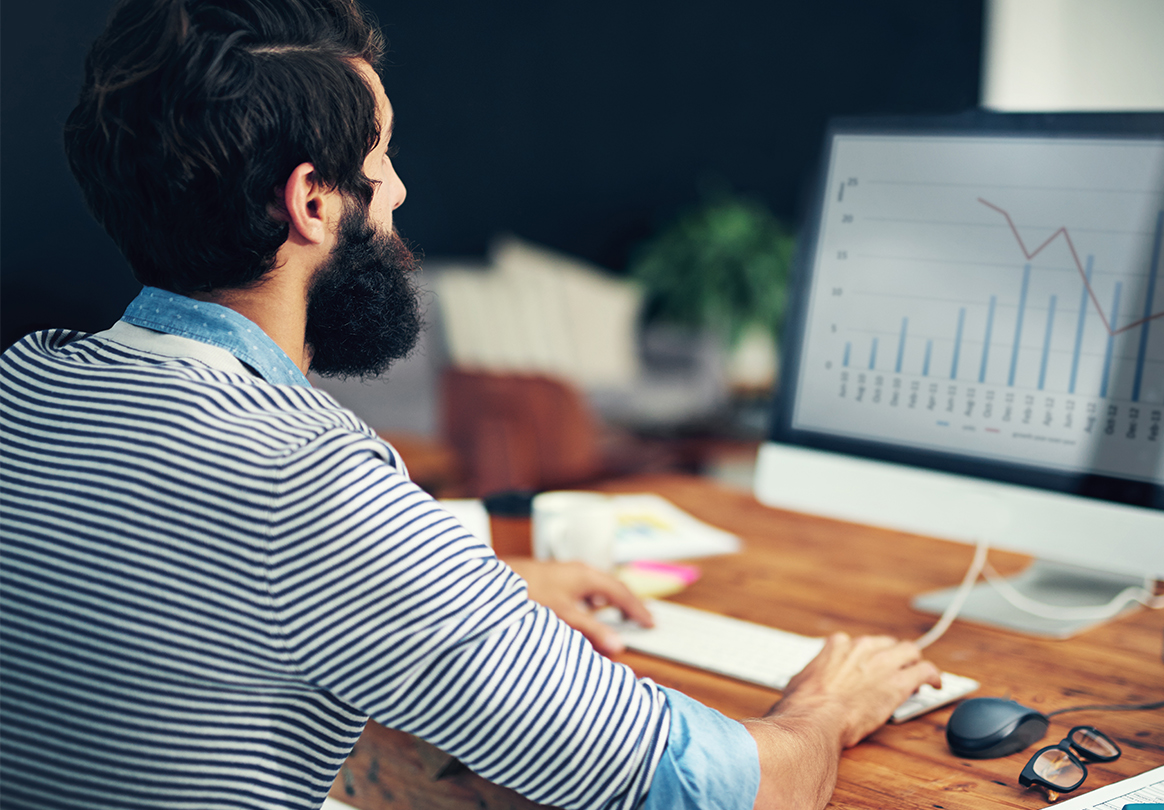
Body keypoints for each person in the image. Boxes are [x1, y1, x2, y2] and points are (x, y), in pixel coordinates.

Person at [0, 1, 941, 808]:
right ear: (312, 204)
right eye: (381, 157)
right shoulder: (311, 480)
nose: (400, 189)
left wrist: (456, 593)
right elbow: (717, 789)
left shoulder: (26, 385)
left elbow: (182, 584)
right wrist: (828, 705)